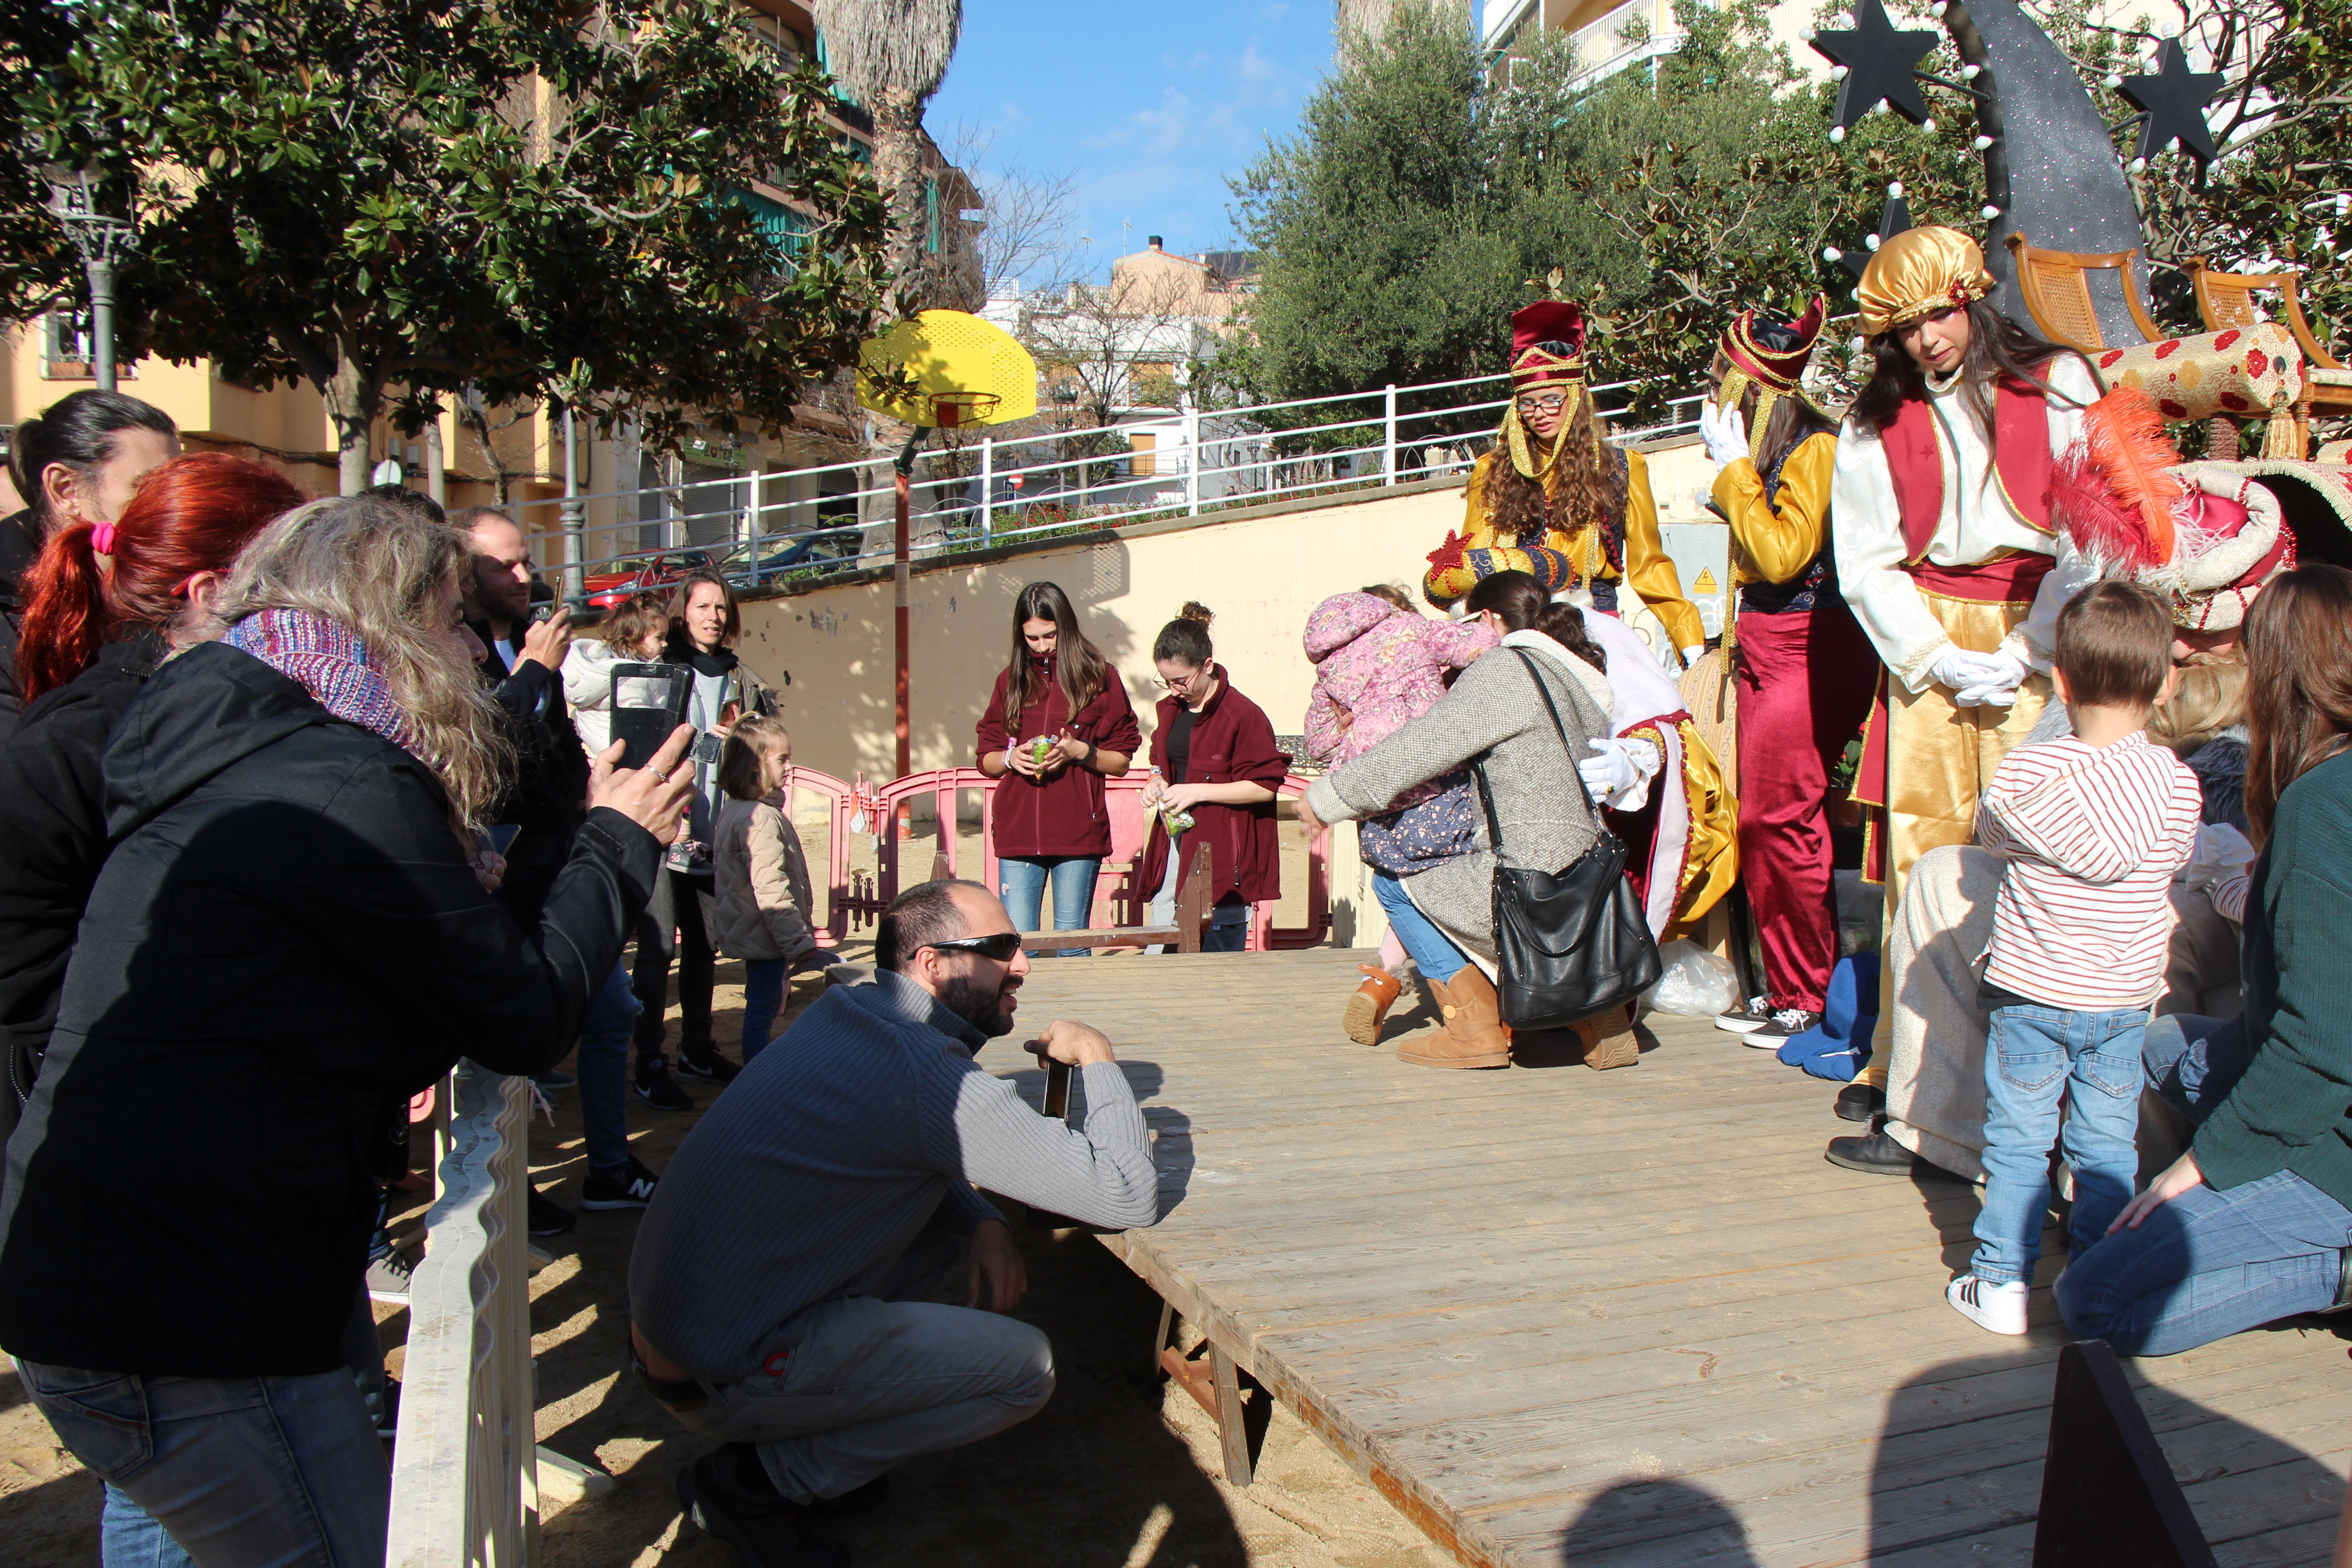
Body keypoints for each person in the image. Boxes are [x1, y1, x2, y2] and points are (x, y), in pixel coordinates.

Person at [0, 495, 692, 1566]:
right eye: (462, 619)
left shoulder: (230, 734)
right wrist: (619, 841)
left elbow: (317, 979)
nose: (480, 650)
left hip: (118, 1274)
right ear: (400, 620)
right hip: (193, 1302)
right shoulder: (343, 775)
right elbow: (520, 1010)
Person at [626, 879, 1158, 1559]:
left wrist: (982, 1222)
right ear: (934, 963)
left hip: (675, 1338)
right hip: (723, 1371)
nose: (1023, 963)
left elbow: (901, 1144)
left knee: (942, 1234)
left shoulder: (852, 1009)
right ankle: (761, 1481)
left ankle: (798, 1435)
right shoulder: (927, 1074)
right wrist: (1099, 1061)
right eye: (1000, 948)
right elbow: (1122, 1196)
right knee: (1025, 1369)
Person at [0, 452, 303, 1568]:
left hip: (182, 1162)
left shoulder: (213, 717)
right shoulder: (79, 743)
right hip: (114, 1175)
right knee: (175, 1464)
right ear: (209, 590)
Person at [1828, 461, 2299, 1177]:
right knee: (1938, 877)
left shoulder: (2281, 679)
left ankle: (2113, 1176)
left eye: (2199, 629)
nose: (2178, 646)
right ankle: (1948, 1136)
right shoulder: (2133, 649)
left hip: (2207, 897)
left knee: (2152, 922)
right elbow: (2028, 791)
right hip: (2107, 877)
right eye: (2171, 623)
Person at [1830, 225, 2105, 1116]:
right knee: (1925, 850)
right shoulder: (1875, 422)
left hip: (2039, 627)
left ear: (1972, 296)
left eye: (1939, 315)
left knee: (2035, 844)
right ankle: (1913, 1073)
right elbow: (1865, 561)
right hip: (1929, 640)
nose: (1928, 340)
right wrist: (1937, 655)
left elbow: (2095, 531)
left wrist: (2035, 646)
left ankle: (2037, 1077)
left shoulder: (2057, 383)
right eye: (1907, 328)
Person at [2054, 564, 2352, 1356]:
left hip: (2333, 1130)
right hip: (2304, 1080)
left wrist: (2203, 1165)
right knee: (2157, 1044)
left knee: (2094, 1300)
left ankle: (2335, 1263)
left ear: (2279, 672)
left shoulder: (2323, 805)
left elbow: (2321, 1050)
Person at [1936, 582, 2200, 1336]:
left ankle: (2000, 1283)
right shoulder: (2177, 788)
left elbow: (1991, 839)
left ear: (2059, 681)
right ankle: (2094, 1281)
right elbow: (2172, 860)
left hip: (2029, 991)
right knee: (2104, 1143)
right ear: (2164, 682)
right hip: (2118, 999)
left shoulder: (2027, 774)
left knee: (2018, 1140)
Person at [1294, 570, 1637, 1070]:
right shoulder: (1565, 671)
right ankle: (1600, 1018)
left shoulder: (1502, 673)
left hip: (1528, 879)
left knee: (1399, 882)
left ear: (1487, 619)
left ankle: (1473, 1027)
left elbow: (1423, 747)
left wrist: (1328, 799)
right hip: (1588, 872)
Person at [1694, 298, 1882, 1044]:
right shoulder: (1771, 454)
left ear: (1753, 389)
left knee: (1781, 819)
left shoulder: (1815, 449)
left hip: (1812, 639)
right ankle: (1786, 988)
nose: (1712, 397)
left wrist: (1734, 471)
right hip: (1764, 643)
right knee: (1758, 822)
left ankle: (1808, 994)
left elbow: (1780, 554)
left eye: (1720, 381)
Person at [1423, 298, 1705, 672]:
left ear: (1575, 400)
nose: (1539, 413)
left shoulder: (1622, 468)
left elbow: (1651, 565)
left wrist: (1690, 640)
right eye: (1527, 404)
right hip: (1516, 629)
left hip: (1592, 626)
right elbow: (1477, 558)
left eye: (1551, 400)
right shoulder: (1490, 470)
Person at [1301, 584, 1497, 1043]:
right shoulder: (1412, 630)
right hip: (1435, 785)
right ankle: (1478, 1005)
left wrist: (1349, 724)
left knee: (1396, 888)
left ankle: (1382, 982)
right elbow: (1482, 645)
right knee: (1453, 889)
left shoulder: (1329, 673)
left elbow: (1320, 745)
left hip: (1375, 801)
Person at [631, 568, 779, 1104]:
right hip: (660, 831)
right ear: (683, 613)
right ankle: (650, 1061)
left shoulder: (744, 681)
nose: (714, 617)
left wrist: (746, 742)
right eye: (703, 607)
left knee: (704, 948)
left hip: (717, 835)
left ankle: (696, 1048)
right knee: (655, 950)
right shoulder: (657, 672)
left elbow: (772, 753)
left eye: (721, 608)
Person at [0, 390, 180, 740]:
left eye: (177, 486)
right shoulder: (8, 606)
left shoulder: (184, 590)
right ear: (66, 489)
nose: (172, 506)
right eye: (147, 488)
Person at [974, 581, 1142, 956]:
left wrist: (1080, 751)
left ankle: (1073, 1015)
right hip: (1018, 830)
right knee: (1021, 948)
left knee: (1071, 945)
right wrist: (1009, 759)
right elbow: (985, 756)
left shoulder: (1100, 677)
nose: (1042, 646)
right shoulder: (1009, 680)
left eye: (1050, 635)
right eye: (1032, 638)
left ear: (1066, 626)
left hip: (1078, 831)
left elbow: (1122, 761)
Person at [1134, 604, 1288, 953]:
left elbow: (1264, 787)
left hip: (1222, 851)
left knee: (1217, 961)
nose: (1174, 690)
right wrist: (1155, 780)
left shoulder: (1243, 714)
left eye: (1181, 680)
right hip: (1174, 841)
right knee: (1161, 946)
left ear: (1207, 666)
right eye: (1166, 681)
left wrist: (1197, 792)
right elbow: (1160, 758)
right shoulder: (1169, 709)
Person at [712, 714, 820, 1063]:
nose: (790, 767)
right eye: (782, 759)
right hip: (766, 936)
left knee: (762, 1003)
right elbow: (771, 886)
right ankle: (756, 1078)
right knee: (763, 1008)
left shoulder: (740, 810)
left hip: (757, 931)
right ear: (756, 765)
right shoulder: (758, 819)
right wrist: (796, 941)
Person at [564, 590, 671, 756]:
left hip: (598, 752)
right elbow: (637, 720)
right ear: (634, 636)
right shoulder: (630, 676)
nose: (665, 644)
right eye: (659, 638)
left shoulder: (611, 665)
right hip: (622, 754)